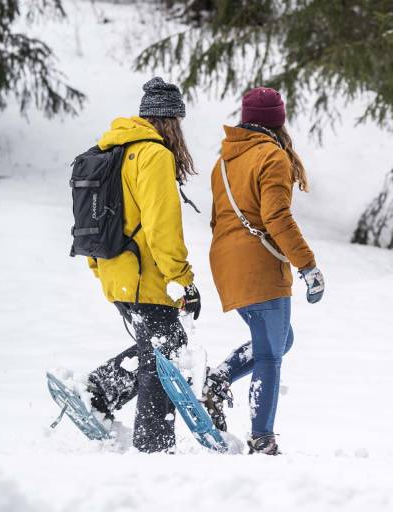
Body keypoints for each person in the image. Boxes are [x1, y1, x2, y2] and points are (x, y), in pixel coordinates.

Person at [203, 87, 325, 455]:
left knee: (280, 340)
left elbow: (217, 219)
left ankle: (217, 381)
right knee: (271, 354)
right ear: (278, 121)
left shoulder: (225, 160)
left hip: (225, 261)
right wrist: (307, 265)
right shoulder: (272, 156)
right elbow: (276, 217)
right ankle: (262, 437)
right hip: (259, 265)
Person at [83, 77, 202, 453]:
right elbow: (161, 227)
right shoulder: (154, 155)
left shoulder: (112, 151)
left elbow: (92, 217)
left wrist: (100, 269)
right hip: (144, 276)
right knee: (165, 355)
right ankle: (152, 445)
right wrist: (183, 280)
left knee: (158, 348)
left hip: (115, 272)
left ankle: (100, 390)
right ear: (170, 121)